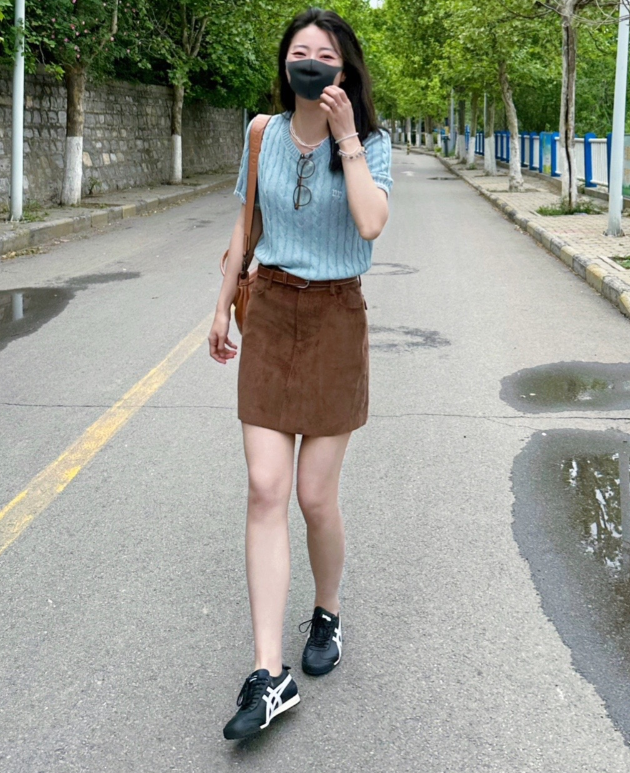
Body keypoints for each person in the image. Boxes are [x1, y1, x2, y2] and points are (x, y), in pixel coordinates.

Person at [208, 7, 392, 741]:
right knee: (264, 488)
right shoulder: (262, 134)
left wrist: (345, 137)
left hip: (337, 318)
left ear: (345, 71)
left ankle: (328, 611)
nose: (310, 63)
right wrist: (220, 306)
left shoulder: (371, 144)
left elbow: (371, 223)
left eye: (325, 55)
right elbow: (244, 224)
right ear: (285, 65)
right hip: (272, 310)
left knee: (315, 496)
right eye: (299, 53)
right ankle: (268, 672)